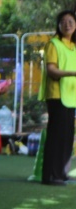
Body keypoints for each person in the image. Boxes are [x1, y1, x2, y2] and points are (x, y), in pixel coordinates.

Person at [38, 10, 76, 185]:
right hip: (56, 95)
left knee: (67, 136)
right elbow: (51, 70)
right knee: (56, 136)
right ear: (58, 26)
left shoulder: (73, 47)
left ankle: (61, 172)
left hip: (70, 97)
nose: (67, 24)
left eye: (71, 21)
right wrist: (73, 73)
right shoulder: (53, 44)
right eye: (63, 21)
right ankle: (51, 176)